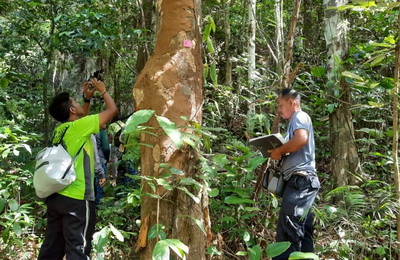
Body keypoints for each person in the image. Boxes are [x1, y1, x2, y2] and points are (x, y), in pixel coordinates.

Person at [38, 79, 118, 260]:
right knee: (78, 248)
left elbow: (82, 121)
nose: (78, 103)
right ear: (72, 110)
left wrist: (87, 99)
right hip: (77, 198)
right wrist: (103, 91)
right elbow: (112, 111)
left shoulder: (62, 130)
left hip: (56, 196)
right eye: (75, 102)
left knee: (52, 246)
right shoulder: (78, 128)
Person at [268, 88, 320, 260]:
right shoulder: (294, 122)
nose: (280, 109)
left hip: (301, 180)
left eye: (281, 105)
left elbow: (301, 139)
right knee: (303, 230)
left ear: (291, 102)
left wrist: (279, 151)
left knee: (289, 227)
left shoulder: (300, 116)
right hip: (302, 182)